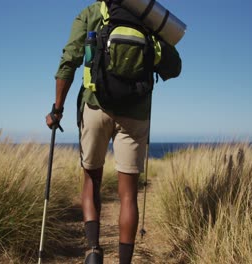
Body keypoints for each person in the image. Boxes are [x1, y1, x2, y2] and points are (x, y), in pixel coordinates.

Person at [45, 1, 181, 263]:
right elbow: (174, 67)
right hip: (135, 113)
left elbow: (69, 60)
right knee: (128, 194)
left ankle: (93, 251)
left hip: (95, 106)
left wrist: (57, 109)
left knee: (91, 180)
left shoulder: (91, 14)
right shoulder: (149, 18)